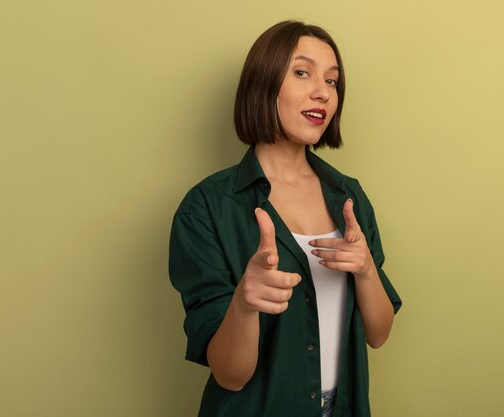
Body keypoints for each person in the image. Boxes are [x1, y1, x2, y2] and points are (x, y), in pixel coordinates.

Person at [169, 20, 402, 417]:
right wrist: (245, 303)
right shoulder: (206, 207)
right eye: (302, 72)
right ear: (263, 84)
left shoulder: (349, 197)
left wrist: (365, 271)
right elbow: (230, 376)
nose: (323, 93)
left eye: (332, 81)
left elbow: (378, 335)